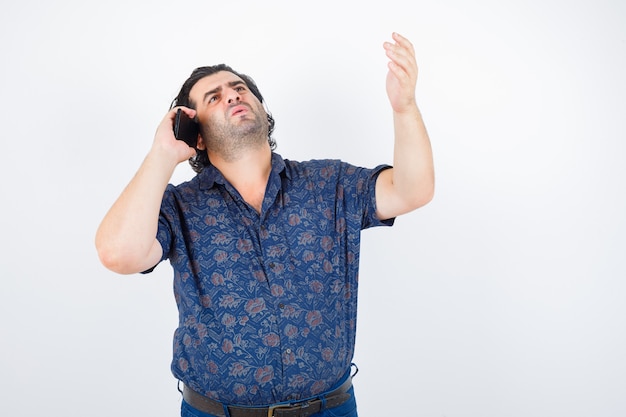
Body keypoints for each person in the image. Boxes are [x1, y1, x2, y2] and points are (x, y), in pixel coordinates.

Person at [95, 32, 434, 417]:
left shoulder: (329, 183)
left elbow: (413, 190)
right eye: (214, 97)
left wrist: (404, 108)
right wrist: (163, 153)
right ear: (196, 134)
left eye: (239, 89)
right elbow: (117, 253)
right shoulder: (178, 207)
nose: (232, 95)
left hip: (330, 408)